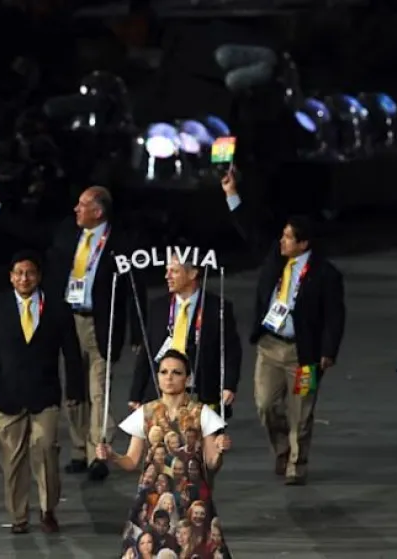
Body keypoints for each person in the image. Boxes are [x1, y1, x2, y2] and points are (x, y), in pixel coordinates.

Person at [0, 183, 144, 481]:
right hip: (66, 321)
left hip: (100, 323)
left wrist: (137, 333)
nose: (76, 209)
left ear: (98, 211)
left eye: (82, 205)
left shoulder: (121, 241)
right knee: (75, 388)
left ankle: (99, 454)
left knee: (99, 388)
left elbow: (135, 287)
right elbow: (28, 230)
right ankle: (80, 450)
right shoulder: (67, 231)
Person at [221, 167, 345, 485]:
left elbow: (334, 315)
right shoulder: (274, 258)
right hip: (270, 347)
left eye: (289, 237)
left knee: (301, 411)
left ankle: (296, 464)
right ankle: (281, 448)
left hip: (304, 355)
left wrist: (327, 352)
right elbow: (248, 229)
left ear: (303, 244)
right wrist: (231, 193)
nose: (282, 240)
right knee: (265, 405)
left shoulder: (326, 274)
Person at [0, 250, 85, 534]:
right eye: (18, 273)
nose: (24, 278)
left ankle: (48, 509)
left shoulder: (57, 307)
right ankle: (18, 516)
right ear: (10, 277)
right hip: (6, 397)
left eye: (29, 273)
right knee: (12, 462)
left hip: (45, 397)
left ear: (39, 276)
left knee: (45, 453)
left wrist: (75, 391)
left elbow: (72, 354)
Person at [97, 350, 232, 558]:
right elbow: (132, 461)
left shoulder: (201, 412)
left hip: (191, 499)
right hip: (153, 500)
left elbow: (212, 462)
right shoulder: (146, 412)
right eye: (164, 372)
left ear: (187, 379)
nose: (169, 377)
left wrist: (221, 449)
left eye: (176, 373)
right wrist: (112, 455)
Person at [129, 256, 243, 418]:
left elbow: (231, 350)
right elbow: (146, 351)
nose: (167, 276)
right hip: (160, 391)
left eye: (174, 271)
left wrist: (229, 385)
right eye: (167, 271)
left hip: (201, 390)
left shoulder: (217, 307)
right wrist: (136, 392)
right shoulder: (158, 306)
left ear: (192, 274)